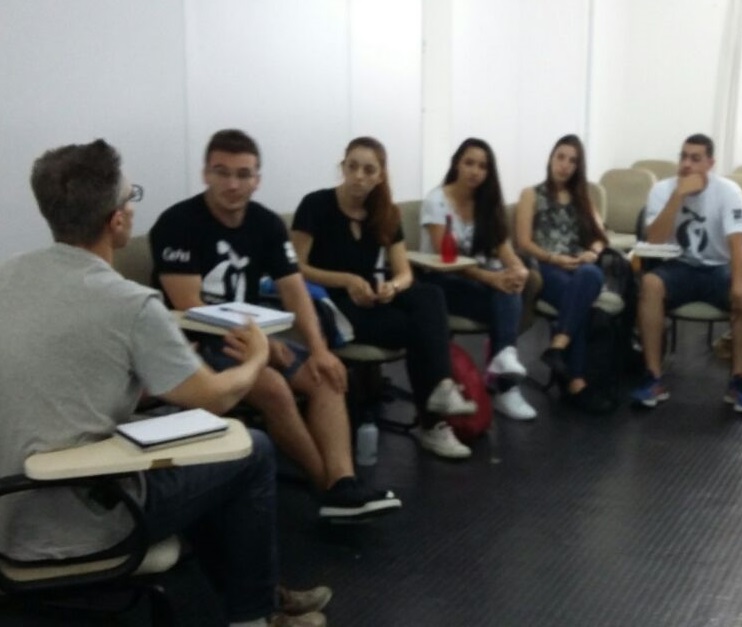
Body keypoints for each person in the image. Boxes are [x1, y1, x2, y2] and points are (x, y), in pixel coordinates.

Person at [0, 140, 330, 626]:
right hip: (86, 519)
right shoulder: (131, 303)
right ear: (117, 220)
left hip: (9, 509)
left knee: (197, 449)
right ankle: (254, 617)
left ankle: (263, 596)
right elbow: (216, 397)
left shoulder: (8, 275)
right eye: (130, 197)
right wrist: (258, 356)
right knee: (251, 450)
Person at [150, 129, 400, 522]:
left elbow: (294, 290)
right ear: (206, 174)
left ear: (257, 180)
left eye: (243, 174)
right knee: (274, 387)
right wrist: (262, 349)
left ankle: (343, 481)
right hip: (194, 343)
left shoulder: (266, 223)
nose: (233, 184)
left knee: (326, 375)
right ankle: (329, 490)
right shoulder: (177, 223)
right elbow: (189, 305)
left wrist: (319, 350)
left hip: (249, 339)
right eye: (222, 172)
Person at [290, 137, 475, 459]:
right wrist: (346, 280)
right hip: (330, 303)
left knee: (430, 294)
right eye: (352, 167)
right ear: (343, 167)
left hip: (371, 297)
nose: (358, 176)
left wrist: (393, 287)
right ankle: (433, 423)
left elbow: (404, 273)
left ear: (380, 176)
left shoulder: (385, 213)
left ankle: (442, 389)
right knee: (422, 330)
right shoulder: (315, 205)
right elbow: (296, 269)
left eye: (368, 170)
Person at [631, 133, 742, 415]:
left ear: (710, 163)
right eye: (683, 157)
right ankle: (653, 377)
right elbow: (654, 240)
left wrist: (739, 287)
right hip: (678, 266)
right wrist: (677, 196)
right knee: (650, 284)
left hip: (718, 268)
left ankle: (739, 381)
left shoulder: (728, 191)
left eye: (695, 158)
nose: (687, 164)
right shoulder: (663, 190)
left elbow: (738, 245)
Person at [418, 138, 537, 421]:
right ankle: (505, 380)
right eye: (469, 163)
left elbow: (504, 249)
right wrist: (492, 279)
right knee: (504, 293)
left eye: (482, 166)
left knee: (511, 286)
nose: (475, 171)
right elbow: (446, 260)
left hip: (479, 281)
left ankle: (503, 361)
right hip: (440, 281)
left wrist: (517, 269)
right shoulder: (437, 200)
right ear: (457, 164)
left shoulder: (487, 202)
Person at [514, 134, 615, 413]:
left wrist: (592, 252)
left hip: (577, 266)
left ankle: (559, 346)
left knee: (590, 275)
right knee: (578, 300)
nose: (565, 165)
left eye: (572, 161)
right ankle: (576, 382)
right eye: (560, 157)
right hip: (544, 265)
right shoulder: (531, 194)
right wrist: (553, 258)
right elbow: (523, 242)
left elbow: (601, 237)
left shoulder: (582, 198)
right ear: (551, 158)